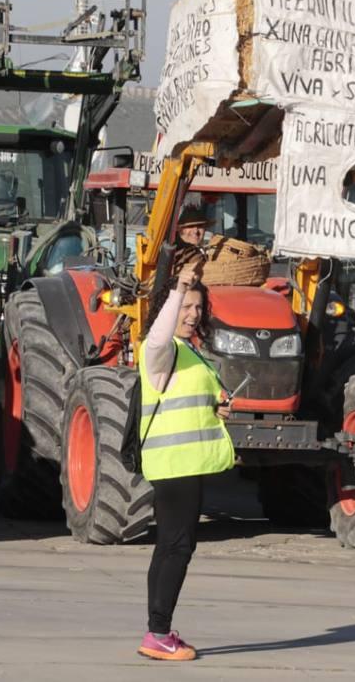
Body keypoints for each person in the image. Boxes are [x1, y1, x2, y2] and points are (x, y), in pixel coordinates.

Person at [135, 248, 235, 662]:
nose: (193, 313)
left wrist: (217, 406)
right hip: (175, 465)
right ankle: (158, 633)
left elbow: (187, 399)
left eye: (198, 306)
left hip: (185, 464)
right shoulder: (160, 349)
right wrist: (178, 286)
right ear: (168, 309)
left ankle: (157, 630)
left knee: (171, 546)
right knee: (176, 547)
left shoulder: (189, 351)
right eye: (186, 307)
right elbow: (156, 336)